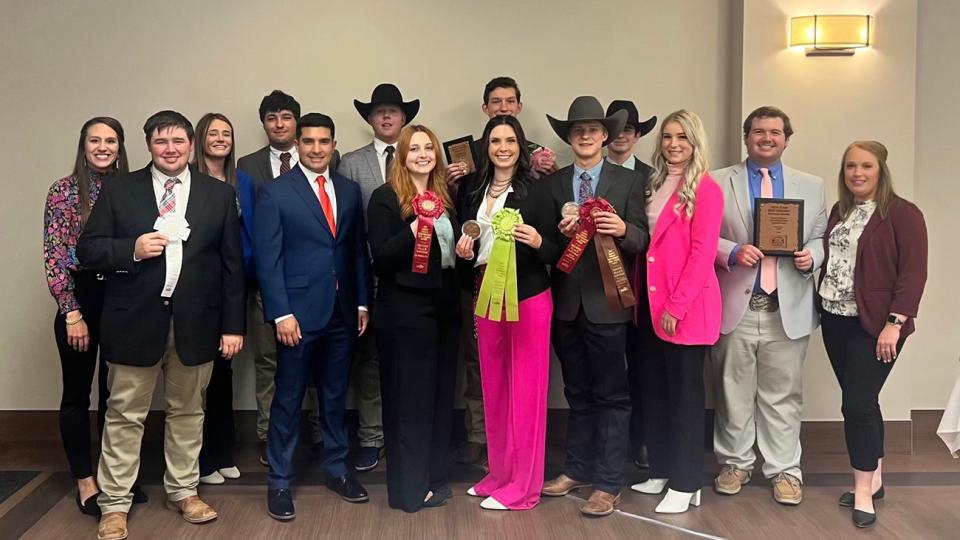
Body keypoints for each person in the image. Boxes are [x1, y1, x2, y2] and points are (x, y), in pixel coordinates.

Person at [78, 110, 245, 540]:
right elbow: (89, 249)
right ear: (149, 145)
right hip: (134, 322)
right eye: (160, 142)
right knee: (124, 415)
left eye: (178, 141)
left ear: (191, 144)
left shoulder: (218, 195)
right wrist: (130, 249)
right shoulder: (120, 190)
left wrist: (233, 326)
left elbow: (232, 267)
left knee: (189, 412)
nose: (169, 149)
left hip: (197, 325)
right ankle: (114, 503)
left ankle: (184, 491)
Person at [254, 113, 371, 521]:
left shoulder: (350, 190)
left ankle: (337, 470)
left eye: (324, 141)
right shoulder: (275, 192)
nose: (317, 149)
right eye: (309, 142)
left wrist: (361, 303)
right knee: (287, 399)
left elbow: (355, 250)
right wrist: (281, 313)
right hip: (297, 317)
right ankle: (280, 481)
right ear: (297, 146)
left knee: (336, 396)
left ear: (334, 145)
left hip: (342, 312)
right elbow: (269, 260)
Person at [709, 106, 827, 506]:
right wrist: (732, 250)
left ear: (787, 139)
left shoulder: (811, 185)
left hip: (786, 306)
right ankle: (735, 463)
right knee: (732, 391)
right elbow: (702, 237)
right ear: (746, 137)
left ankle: (784, 471)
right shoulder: (715, 182)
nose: (766, 138)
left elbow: (820, 236)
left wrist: (814, 256)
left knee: (784, 394)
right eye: (758, 131)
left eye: (775, 132)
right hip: (736, 304)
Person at [539, 96, 648, 517]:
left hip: (608, 305)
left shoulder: (629, 182)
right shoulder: (552, 185)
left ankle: (607, 481)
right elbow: (547, 247)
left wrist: (622, 229)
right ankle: (577, 469)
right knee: (576, 392)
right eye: (577, 130)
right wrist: (558, 237)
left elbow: (643, 239)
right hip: (566, 304)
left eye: (593, 130)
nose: (585, 136)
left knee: (612, 396)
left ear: (606, 136)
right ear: (569, 137)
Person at [447, 76, 557, 468]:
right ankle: (498, 467)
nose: (503, 147)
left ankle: (523, 474)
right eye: (496, 141)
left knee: (523, 386)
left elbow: (556, 250)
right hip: (483, 295)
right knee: (489, 380)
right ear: (485, 145)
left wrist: (538, 241)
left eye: (510, 141)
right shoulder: (473, 188)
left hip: (526, 297)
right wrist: (464, 246)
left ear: (520, 144)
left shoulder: (538, 188)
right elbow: (469, 239)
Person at [818, 140, 927, 528]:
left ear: (881, 170)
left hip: (878, 325)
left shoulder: (903, 214)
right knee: (865, 401)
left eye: (866, 166)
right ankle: (875, 476)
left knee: (857, 405)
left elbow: (913, 274)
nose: (857, 173)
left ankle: (863, 490)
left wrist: (894, 324)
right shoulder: (839, 211)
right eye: (850, 166)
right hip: (834, 318)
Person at [43, 117, 147, 517]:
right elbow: (55, 257)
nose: (102, 147)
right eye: (95, 140)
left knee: (116, 396)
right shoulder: (64, 191)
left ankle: (113, 477)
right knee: (76, 394)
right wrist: (71, 312)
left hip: (122, 299)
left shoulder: (131, 190)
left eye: (110, 141)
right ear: (83, 145)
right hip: (80, 301)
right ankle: (85, 480)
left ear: (120, 147)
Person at [628, 110, 722, 514]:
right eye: (667, 136)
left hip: (683, 308)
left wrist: (676, 306)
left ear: (695, 142)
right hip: (649, 306)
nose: (673, 144)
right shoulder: (653, 183)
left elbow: (703, 253)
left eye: (682, 137)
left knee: (685, 398)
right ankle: (662, 470)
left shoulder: (706, 188)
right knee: (655, 391)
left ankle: (687, 482)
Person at [367, 125, 461, 512]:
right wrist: (416, 225)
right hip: (404, 314)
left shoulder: (448, 198)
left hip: (444, 311)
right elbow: (382, 258)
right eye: (414, 149)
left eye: (429, 148)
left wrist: (465, 245)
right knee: (409, 403)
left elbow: (449, 257)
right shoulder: (385, 199)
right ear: (402, 157)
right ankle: (408, 491)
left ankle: (433, 479)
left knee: (439, 398)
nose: (423, 154)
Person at [236, 90, 325, 463]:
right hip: (265, 278)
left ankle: (319, 431)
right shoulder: (247, 164)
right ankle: (268, 432)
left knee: (316, 358)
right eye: (272, 118)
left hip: (312, 278)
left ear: (297, 123)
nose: (279, 124)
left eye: (286, 117)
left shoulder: (320, 159)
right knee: (269, 359)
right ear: (263, 124)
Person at [338, 83, 420, 471]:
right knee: (368, 360)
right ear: (370, 119)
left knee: (408, 359)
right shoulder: (351, 163)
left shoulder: (419, 158)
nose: (386, 117)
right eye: (379, 112)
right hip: (366, 274)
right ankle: (371, 436)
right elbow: (344, 224)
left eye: (393, 111)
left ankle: (405, 436)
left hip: (411, 277)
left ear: (404, 119)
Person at [192, 112, 256, 485]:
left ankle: (222, 451)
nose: (220, 139)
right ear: (200, 138)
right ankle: (200, 460)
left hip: (234, 286)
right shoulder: (188, 180)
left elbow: (249, 233)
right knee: (197, 374)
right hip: (198, 289)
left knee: (224, 371)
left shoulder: (242, 180)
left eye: (226, 133)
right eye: (213, 133)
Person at [605, 99, 657, 469]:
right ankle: (610, 444)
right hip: (597, 287)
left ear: (637, 135)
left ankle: (641, 438)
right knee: (607, 370)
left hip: (640, 283)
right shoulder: (588, 174)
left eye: (629, 129)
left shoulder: (653, 178)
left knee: (642, 366)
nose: (621, 135)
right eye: (616, 129)